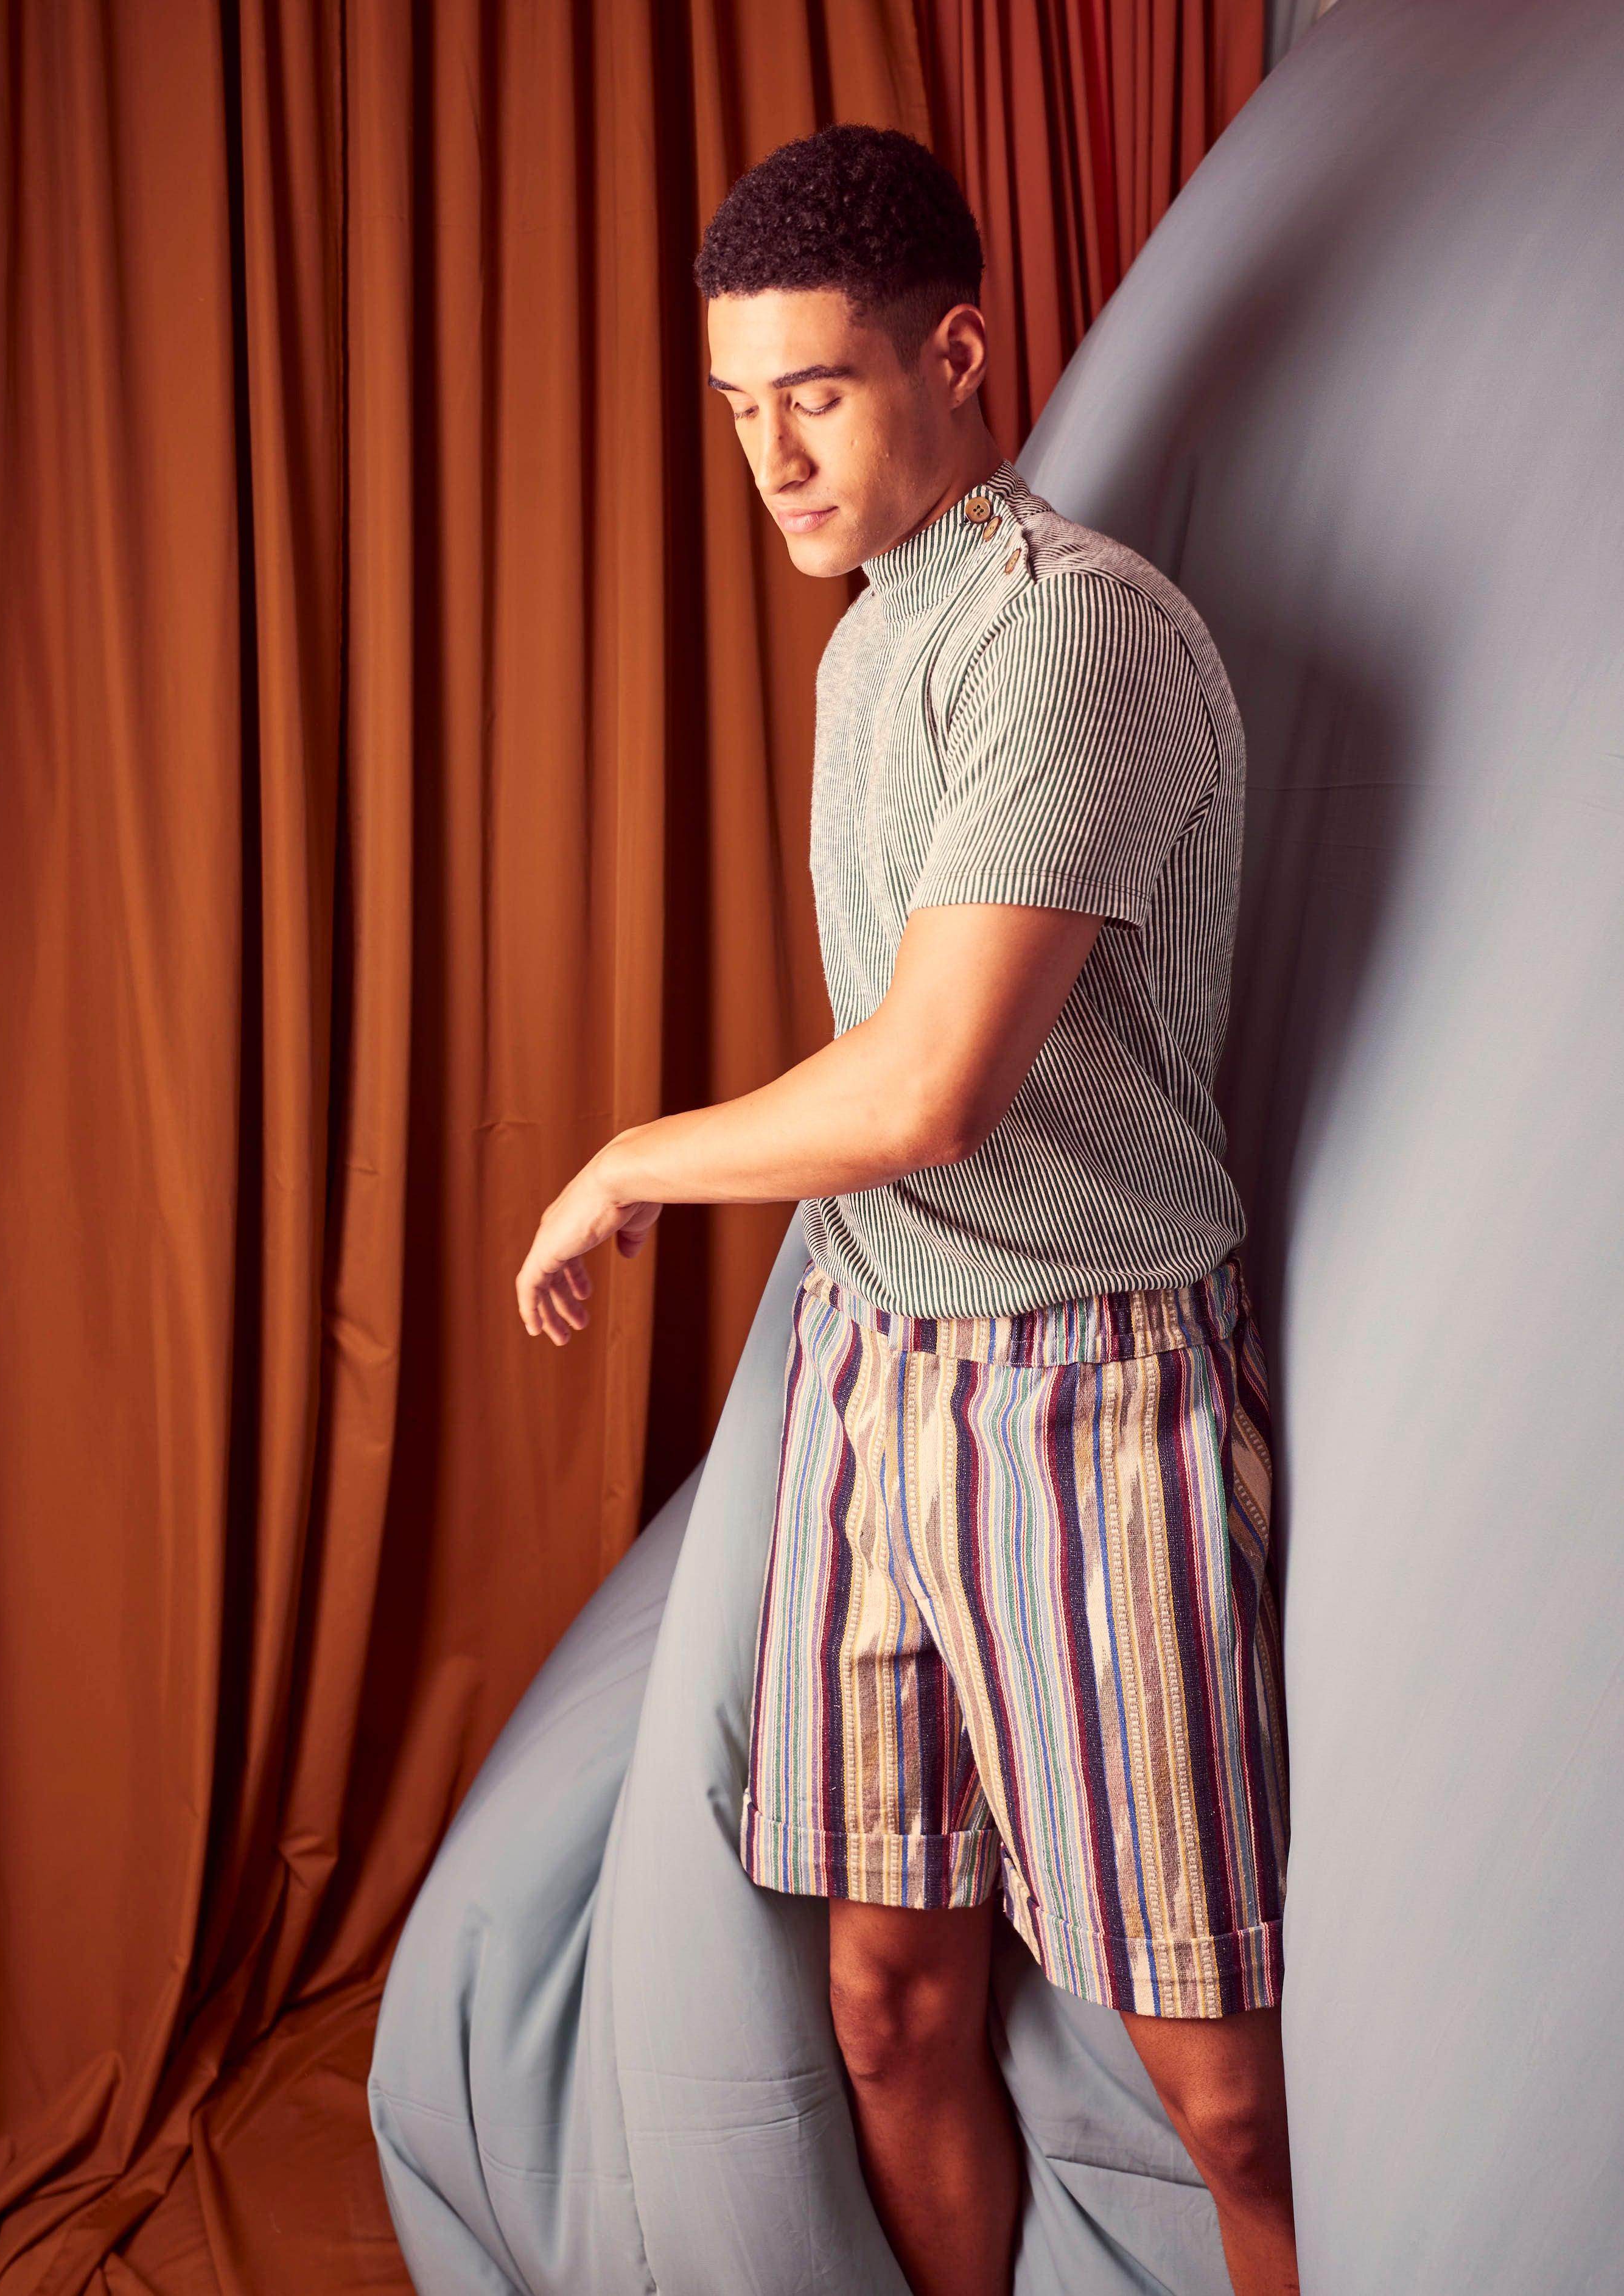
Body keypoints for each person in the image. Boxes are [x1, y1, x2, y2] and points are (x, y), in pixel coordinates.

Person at [514, 123, 1295, 2296]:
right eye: (736, 408)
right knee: (884, 2000)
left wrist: (627, 1157)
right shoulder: (869, 640)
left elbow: (936, 1084)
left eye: (817, 395)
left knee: (1230, 2092)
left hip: (1086, 1395)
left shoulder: (1076, 634)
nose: (770, 459)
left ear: (955, 355)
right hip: (877, 1380)